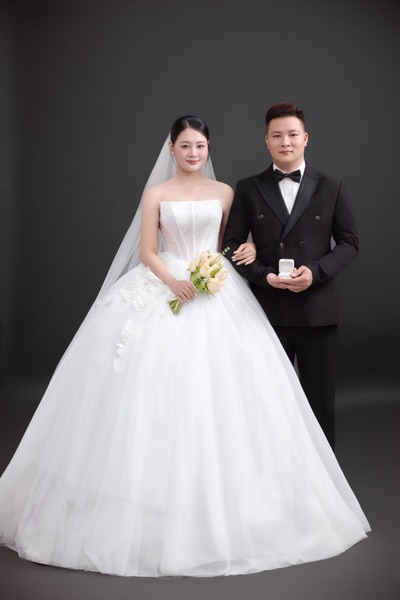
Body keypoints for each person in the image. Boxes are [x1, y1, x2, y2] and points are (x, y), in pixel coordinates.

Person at [0, 115, 369, 578]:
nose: (194, 153)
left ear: (208, 149)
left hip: (216, 290)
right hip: (167, 283)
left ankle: (239, 497)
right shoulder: (155, 193)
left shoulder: (227, 192)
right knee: (149, 387)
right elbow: (147, 250)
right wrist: (174, 282)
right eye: (186, 146)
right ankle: (143, 498)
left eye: (200, 146)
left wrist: (245, 253)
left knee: (226, 392)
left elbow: (232, 242)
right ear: (171, 149)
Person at [223, 102, 359, 450]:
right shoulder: (248, 188)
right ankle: (269, 477)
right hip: (266, 313)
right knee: (267, 405)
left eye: (293, 135)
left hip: (318, 312)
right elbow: (230, 246)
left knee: (319, 405)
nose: (286, 142)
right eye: (277, 135)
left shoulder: (331, 186)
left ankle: (322, 480)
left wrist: (315, 273)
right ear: (266, 140)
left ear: (305, 138)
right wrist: (263, 276)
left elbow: (349, 243)